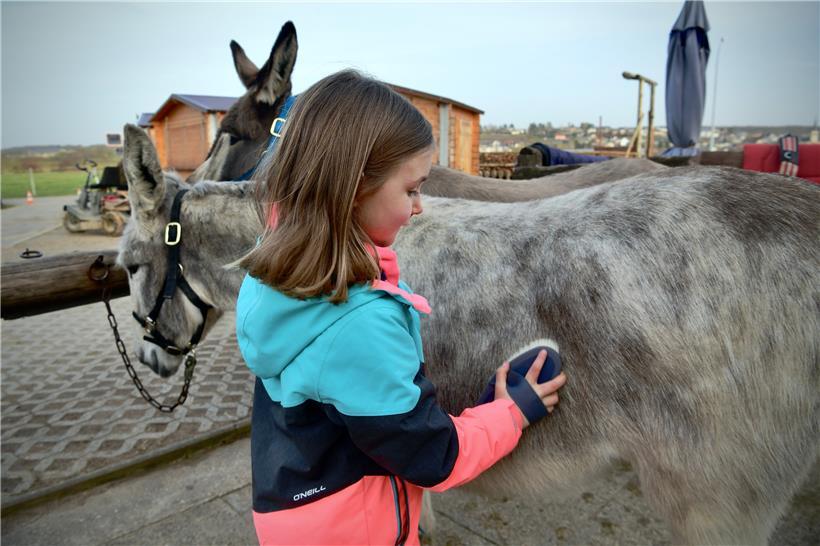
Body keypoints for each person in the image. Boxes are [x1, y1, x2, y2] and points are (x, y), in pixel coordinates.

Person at [235, 69, 567, 546]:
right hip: (357, 529)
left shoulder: (274, 272)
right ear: (351, 189)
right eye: (411, 189)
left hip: (294, 507)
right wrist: (512, 411)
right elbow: (433, 454)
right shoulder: (357, 321)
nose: (420, 207)